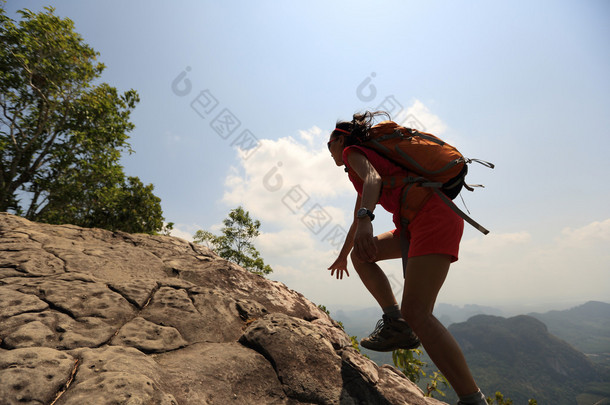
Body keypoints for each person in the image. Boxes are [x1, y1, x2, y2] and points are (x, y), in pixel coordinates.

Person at [327, 111, 487, 405]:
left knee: (418, 312)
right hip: (414, 223)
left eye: (330, 144)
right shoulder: (359, 167)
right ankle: (396, 322)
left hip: (433, 218)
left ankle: (473, 400)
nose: (330, 151)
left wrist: (367, 220)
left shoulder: (353, 152)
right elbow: (358, 211)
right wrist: (342, 256)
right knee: (361, 258)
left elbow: (372, 184)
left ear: (341, 140)